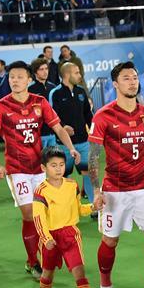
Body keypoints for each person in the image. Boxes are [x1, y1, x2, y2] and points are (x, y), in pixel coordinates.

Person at [0, 61, 80, 280]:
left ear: (29, 80)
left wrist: (71, 148)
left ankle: (44, 256)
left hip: (40, 168)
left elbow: (58, 127)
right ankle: (33, 261)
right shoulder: (0, 106)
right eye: (12, 76)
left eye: (20, 76)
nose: (15, 80)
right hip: (17, 169)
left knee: (45, 214)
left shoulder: (40, 102)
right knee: (30, 215)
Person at [88, 62, 144, 288]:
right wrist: (97, 190)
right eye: (126, 78)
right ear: (115, 84)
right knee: (110, 241)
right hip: (115, 191)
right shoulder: (103, 116)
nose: (132, 82)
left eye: (134, 77)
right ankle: (105, 285)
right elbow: (94, 156)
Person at [31, 146, 103, 288]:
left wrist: (93, 207)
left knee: (80, 271)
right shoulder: (41, 191)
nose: (58, 169)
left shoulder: (72, 186)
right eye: (53, 165)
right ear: (43, 168)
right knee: (47, 273)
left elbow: (79, 209)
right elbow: (38, 219)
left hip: (70, 235)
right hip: (50, 238)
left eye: (61, 165)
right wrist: (46, 239)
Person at [48, 62, 95, 204]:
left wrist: (93, 132)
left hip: (84, 143)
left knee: (89, 174)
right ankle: (68, 206)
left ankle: (94, 206)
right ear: (67, 75)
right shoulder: (55, 93)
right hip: (63, 146)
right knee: (64, 176)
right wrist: (62, 127)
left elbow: (88, 115)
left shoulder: (81, 91)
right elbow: (51, 116)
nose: (80, 76)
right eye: (77, 73)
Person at [28, 59, 58, 148]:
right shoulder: (30, 89)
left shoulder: (53, 87)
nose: (45, 72)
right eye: (41, 69)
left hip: (53, 132)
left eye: (46, 69)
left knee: (53, 160)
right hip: (38, 134)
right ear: (35, 72)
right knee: (39, 161)